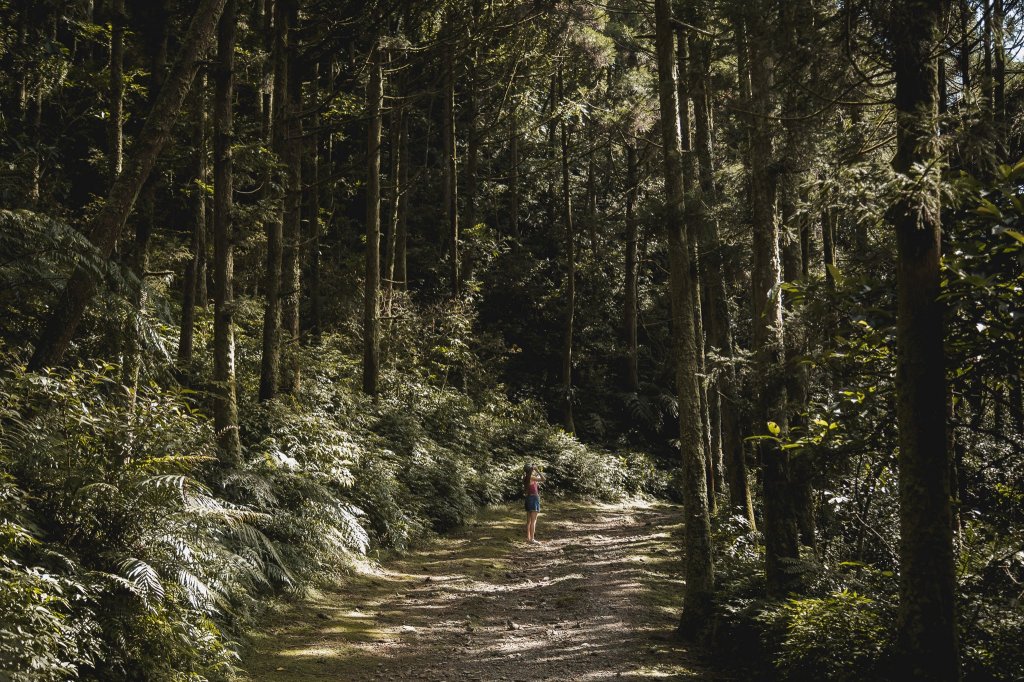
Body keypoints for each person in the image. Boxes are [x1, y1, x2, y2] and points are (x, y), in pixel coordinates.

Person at [523, 463, 545, 544]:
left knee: (528, 521)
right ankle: (532, 539)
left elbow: (536, 478)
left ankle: (528, 538)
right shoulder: (532, 477)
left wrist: (534, 471)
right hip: (534, 498)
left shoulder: (526, 477)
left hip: (528, 498)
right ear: (531, 470)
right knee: (533, 521)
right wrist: (537, 470)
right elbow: (543, 479)